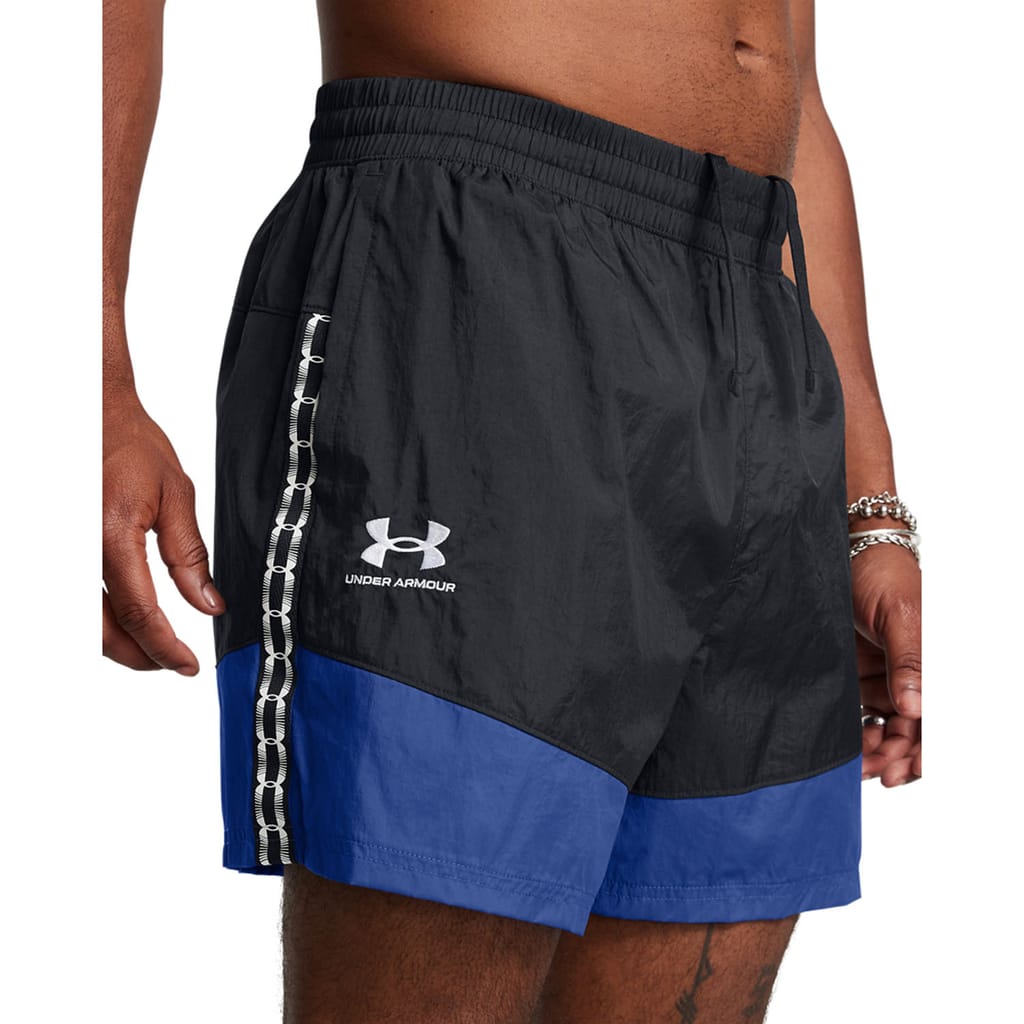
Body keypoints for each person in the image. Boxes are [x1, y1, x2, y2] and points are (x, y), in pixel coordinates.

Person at [102, 0, 923, 1020]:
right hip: (476, 258)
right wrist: (90, 370)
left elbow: (791, 78)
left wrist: (867, 504)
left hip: (759, 299)